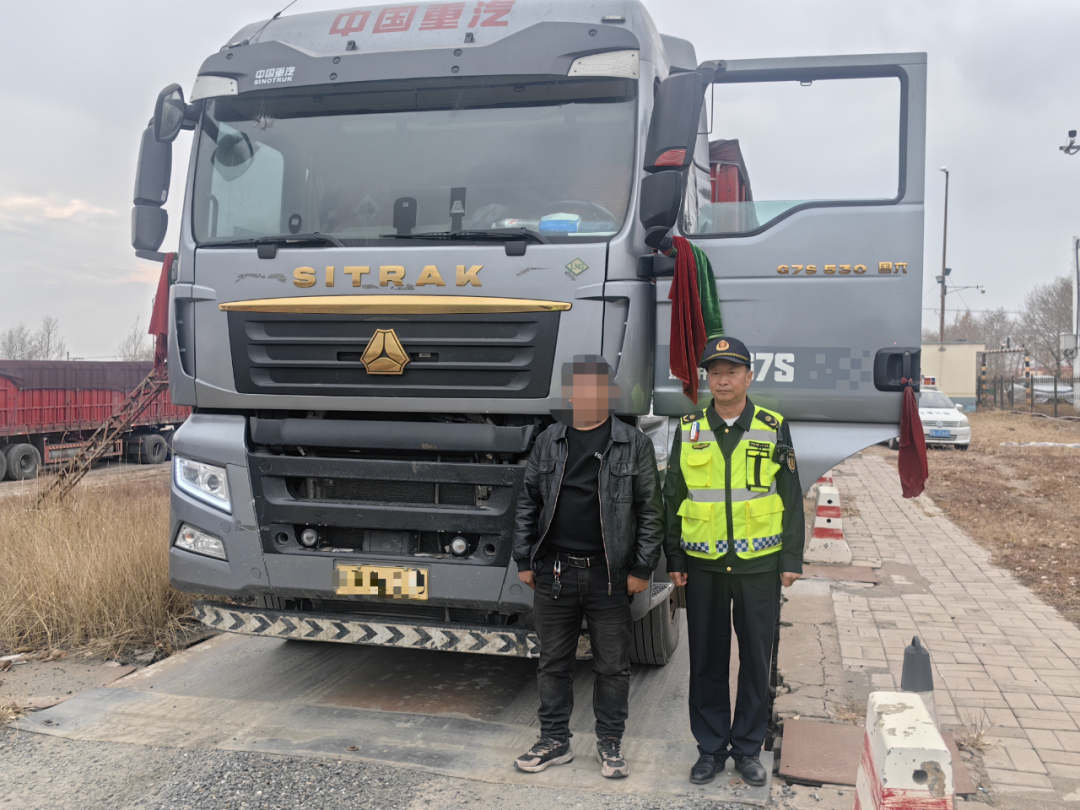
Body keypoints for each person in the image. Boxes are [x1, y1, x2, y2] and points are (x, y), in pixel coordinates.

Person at [512, 356, 664, 779]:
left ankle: (610, 742)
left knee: (612, 665)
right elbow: (528, 502)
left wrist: (642, 567)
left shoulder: (632, 442)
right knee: (552, 662)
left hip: (609, 575)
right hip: (555, 573)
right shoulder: (549, 440)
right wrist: (524, 558)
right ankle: (554, 740)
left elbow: (650, 511)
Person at [663, 336, 805, 787]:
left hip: (759, 564)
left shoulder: (772, 426)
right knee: (706, 659)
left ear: (748, 376)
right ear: (707, 379)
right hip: (703, 564)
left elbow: (791, 494)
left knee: (756, 661)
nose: (722, 380)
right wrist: (674, 554)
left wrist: (792, 557)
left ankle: (747, 749)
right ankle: (710, 749)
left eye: (731, 372)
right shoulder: (689, 429)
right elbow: (673, 495)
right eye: (715, 373)